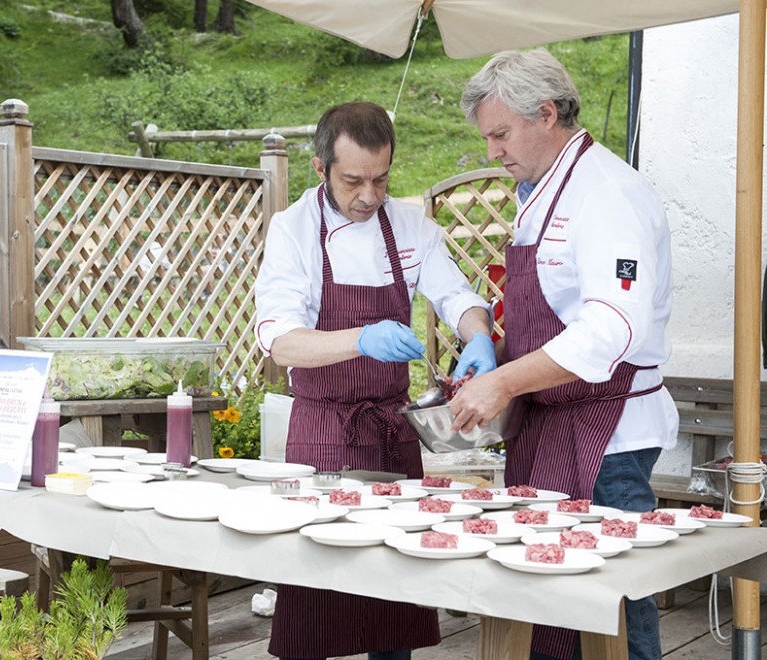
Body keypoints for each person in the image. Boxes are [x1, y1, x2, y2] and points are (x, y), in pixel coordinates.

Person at [451, 50, 679, 660]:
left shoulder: (607, 193)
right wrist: (495, 354)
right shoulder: (542, 189)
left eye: (501, 134)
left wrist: (504, 383)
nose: (492, 151)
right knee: (550, 594)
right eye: (487, 137)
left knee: (612, 599)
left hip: (608, 435)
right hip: (550, 425)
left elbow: (612, 324)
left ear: (547, 114)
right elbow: (555, 308)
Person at [254, 101, 495, 660]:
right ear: (320, 168)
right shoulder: (293, 230)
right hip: (323, 433)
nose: (369, 195)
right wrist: (361, 338)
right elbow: (280, 340)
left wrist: (478, 336)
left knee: (394, 595)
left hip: (390, 432)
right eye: (353, 181)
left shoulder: (410, 227)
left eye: (381, 179)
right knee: (316, 595)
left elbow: (456, 296)